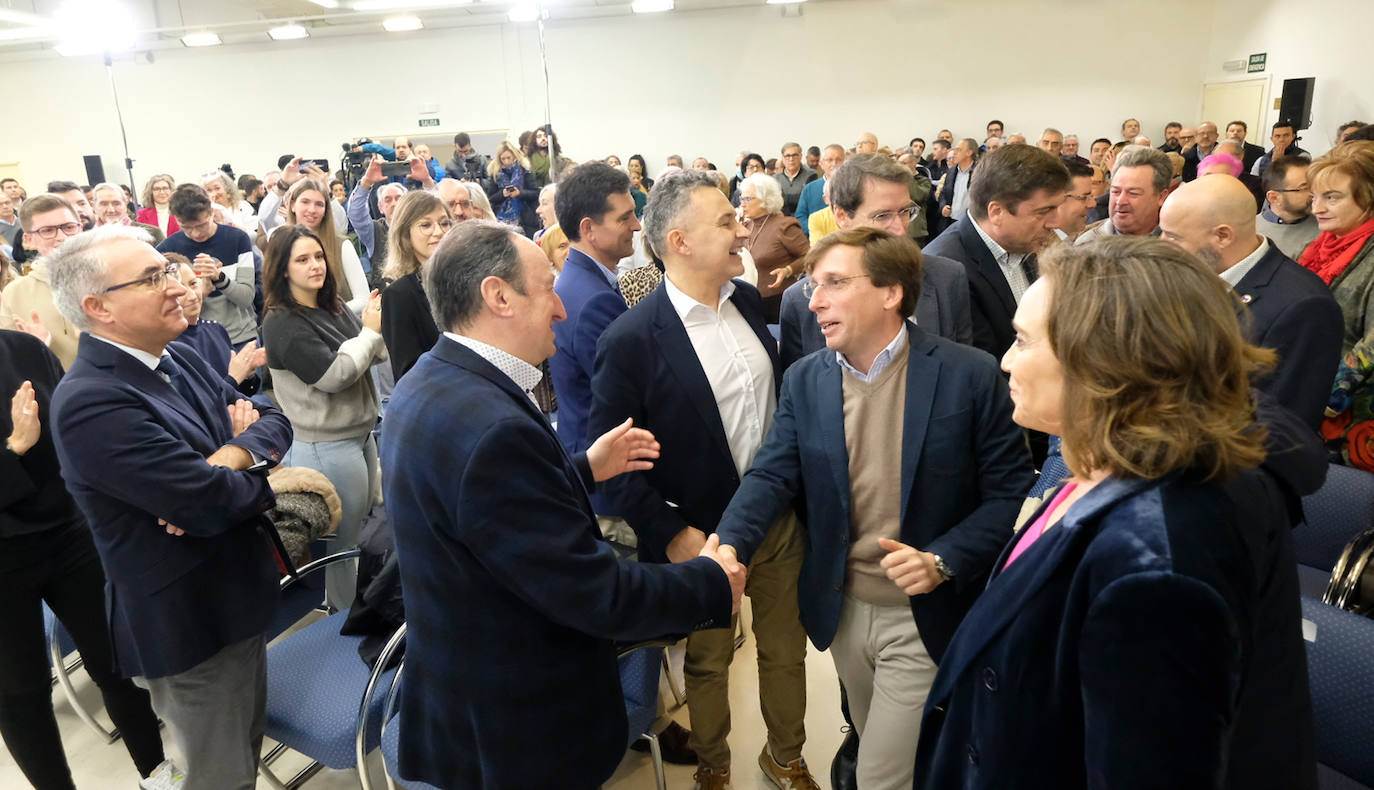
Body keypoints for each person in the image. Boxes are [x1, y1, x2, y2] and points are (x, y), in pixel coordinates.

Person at [914, 237, 1317, 790]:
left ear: (1100, 362)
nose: (1004, 359)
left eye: (1022, 341)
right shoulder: (1103, 464)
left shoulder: (1158, 554)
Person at [380, 218, 744, 789]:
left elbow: (484, 510)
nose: (561, 309)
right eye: (548, 287)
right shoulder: (495, 430)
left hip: (463, 688)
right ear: (498, 296)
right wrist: (709, 582)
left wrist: (582, 467)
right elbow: (594, 593)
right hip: (520, 721)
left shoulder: (427, 380)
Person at [714, 226, 1032, 790]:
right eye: (815, 285)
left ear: (890, 293)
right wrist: (729, 543)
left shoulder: (971, 374)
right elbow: (772, 473)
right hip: (842, 610)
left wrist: (942, 559)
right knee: (881, 748)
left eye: (835, 283)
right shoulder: (807, 379)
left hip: (923, 613)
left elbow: (1009, 496)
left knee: (881, 776)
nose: (814, 301)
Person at [590, 171, 819, 790]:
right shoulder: (631, 342)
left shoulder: (746, 300)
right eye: (725, 222)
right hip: (704, 533)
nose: (742, 229)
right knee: (711, 662)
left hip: (777, 518)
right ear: (679, 241)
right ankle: (714, 766)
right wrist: (672, 536)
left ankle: (786, 755)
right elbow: (616, 469)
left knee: (783, 650)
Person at [47, 225, 292, 790]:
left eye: (168, 271)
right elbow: (207, 506)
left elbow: (272, 418)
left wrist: (225, 458)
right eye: (153, 277)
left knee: (243, 753)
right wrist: (240, 476)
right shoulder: (92, 401)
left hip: (234, 594)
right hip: (188, 624)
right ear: (97, 307)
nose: (177, 285)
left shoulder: (173, 356)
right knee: (219, 775)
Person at [2, 326, 182, 790]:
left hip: (66, 532)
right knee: (21, 693)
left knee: (116, 659)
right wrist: (14, 450)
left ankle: (157, 771)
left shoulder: (22, 348)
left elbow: (72, 432)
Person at [261, 225, 385, 610]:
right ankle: (345, 621)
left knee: (362, 531)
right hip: (326, 445)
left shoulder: (328, 304)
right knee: (344, 545)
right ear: (282, 269)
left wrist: (361, 341)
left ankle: (357, 608)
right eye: (302, 259)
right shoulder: (282, 322)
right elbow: (334, 376)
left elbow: (373, 356)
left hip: (359, 435)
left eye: (318, 256)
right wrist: (364, 337)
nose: (315, 265)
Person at [1159, 174, 1343, 429]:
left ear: (1223, 236)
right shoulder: (1194, 273)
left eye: (1172, 237)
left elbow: (1281, 429)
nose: (1162, 247)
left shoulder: (1303, 306)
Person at [781, 153, 973, 370]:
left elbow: (964, 373)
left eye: (905, 212)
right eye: (882, 216)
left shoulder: (947, 278)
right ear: (842, 216)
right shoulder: (801, 302)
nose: (900, 229)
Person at [925, 144, 1068, 359]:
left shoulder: (1026, 244)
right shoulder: (945, 271)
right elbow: (972, 373)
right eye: (1044, 211)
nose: (1056, 222)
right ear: (997, 212)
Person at [550, 163, 639, 462]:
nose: (637, 225)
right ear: (588, 229)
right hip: (603, 471)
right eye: (625, 218)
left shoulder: (582, 282)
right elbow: (628, 392)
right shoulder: (593, 301)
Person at [1305, 142, 1374, 470]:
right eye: (1314, 197)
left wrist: (1318, 396)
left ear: (1369, 196)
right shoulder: (1320, 244)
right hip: (1304, 397)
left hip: (1350, 417)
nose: (1318, 207)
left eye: (1332, 197)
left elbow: (1370, 349)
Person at [156, 184, 260, 349]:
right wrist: (200, 291)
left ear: (212, 212)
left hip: (240, 337)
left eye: (201, 225)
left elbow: (246, 298)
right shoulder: (166, 250)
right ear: (176, 220)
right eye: (187, 228)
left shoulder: (237, 239)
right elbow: (166, 308)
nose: (196, 234)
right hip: (195, 341)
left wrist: (219, 278)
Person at [0, 195, 86, 369]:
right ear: (28, 240)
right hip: (57, 391)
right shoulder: (15, 293)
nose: (62, 237)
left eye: (69, 227)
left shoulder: (114, 276)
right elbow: (11, 362)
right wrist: (40, 345)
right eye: (48, 230)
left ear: (81, 229)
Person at [379, 191, 454, 379]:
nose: (438, 232)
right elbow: (408, 375)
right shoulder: (399, 295)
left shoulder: (470, 280)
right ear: (406, 235)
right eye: (426, 225)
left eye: (444, 223)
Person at [166, 256, 265, 393]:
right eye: (180, 289)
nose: (193, 296)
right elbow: (202, 405)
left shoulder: (216, 329)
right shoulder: (169, 346)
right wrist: (234, 378)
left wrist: (247, 374)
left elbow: (244, 392)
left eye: (193, 284)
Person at [273, 178, 369, 315]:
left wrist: (322, 317)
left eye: (319, 204)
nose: (312, 210)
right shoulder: (280, 244)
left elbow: (363, 298)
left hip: (341, 330)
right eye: (305, 202)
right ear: (292, 205)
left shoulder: (342, 245)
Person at [739, 174, 808, 323]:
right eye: (741, 199)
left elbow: (810, 255)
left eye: (748, 199)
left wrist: (788, 270)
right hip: (750, 300)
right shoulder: (745, 226)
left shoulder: (784, 226)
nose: (742, 204)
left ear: (766, 200)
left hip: (778, 302)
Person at [1076, 145, 1170, 242]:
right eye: (1115, 192)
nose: (1120, 201)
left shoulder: (1181, 245)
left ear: (1161, 197)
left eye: (1133, 193)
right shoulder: (1087, 245)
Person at [346, 157, 408, 276]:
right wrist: (366, 182)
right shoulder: (373, 231)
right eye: (388, 200)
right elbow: (355, 214)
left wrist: (427, 181)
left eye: (398, 198)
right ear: (381, 208)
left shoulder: (419, 226)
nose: (394, 204)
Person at [1257, 155, 1320, 258]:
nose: (1313, 193)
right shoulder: (1250, 232)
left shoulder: (1326, 230)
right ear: (1274, 198)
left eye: (1315, 185)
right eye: (1304, 188)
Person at [487, 140, 539, 236]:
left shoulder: (525, 170)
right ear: (499, 159)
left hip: (525, 219)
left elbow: (536, 193)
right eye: (503, 159)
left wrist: (520, 193)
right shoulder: (495, 173)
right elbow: (491, 198)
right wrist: (502, 194)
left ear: (514, 156)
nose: (506, 161)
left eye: (508, 158)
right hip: (501, 221)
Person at [92, 182, 164, 244]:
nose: (111, 210)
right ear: (94, 206)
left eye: (116, 203)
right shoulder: (87, 238)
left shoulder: (152, 233)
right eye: (104, 204)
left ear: (125, 203)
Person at [1053, 161, 1096, 241]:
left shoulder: (1085, 239)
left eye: (1091, 196)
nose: (1093, 204)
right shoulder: (1037, 249)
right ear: (1058, 199)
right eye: (1084, 197)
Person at [775, 141, 820, 216]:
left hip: (804, 218)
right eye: (787, 156)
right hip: (782, 221)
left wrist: (784, 198)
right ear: (782, 158)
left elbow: (808, 201)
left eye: (795, 155)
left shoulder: (811, 175)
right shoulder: (775, 179)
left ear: (801, 156)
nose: (791, 159)